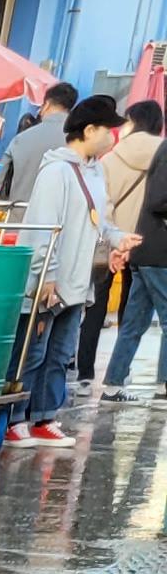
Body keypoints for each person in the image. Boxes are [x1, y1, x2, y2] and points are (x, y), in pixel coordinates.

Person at [15, 98, 120, 445]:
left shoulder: (95, 172)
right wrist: (46, 274)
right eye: (108, 130)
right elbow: (43, 227)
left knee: (59, 354)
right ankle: (15, 419)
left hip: (76, 280)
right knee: (32, 353)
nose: (112, 137)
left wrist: (117, 238)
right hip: (50, 281)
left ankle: (44, 417)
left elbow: (98, 220)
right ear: (89, 130)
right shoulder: (57, 171)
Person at [109, 113, 167, 391]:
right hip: (159, 251)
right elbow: (158, 200)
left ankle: (113, 381)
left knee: (134, 322)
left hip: (147, 248)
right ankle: (164, 383)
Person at [0, 79, 82, 224]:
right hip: (57, 227)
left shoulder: (20, 139)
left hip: (17, 222)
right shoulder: (79, 143)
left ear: (47, 105)